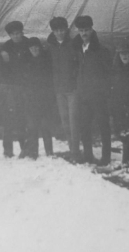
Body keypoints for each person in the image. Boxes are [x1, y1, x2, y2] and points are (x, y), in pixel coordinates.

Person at [72, 16, 112, 165]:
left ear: (92, 30)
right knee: (85, 126)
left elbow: (108, 74)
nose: (84, 33)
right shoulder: (77, 49)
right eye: (81, 30)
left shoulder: (101, 50)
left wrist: (105, 92)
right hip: (83, 95)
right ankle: (88, 155)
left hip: (98, 96)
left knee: (103, 126)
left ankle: (106, 157)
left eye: (86, 30)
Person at [46, 16, 80, 161]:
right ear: (53, 31)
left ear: (66, 30)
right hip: (59, 90)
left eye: (62, 30)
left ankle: (76, 152)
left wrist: (77, 84)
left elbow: (79, 65)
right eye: (57, 30)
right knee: (65, 121)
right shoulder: (50, 47)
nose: (60, 33)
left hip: (72, 89)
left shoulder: (73, 44)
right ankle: (71, 148)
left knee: (74, 122)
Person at [0, 21, 30, 157]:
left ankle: (26, 147)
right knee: (11, 117)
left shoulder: (29, 44)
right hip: (12, 87)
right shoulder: (6, 47)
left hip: (27, 86)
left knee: (26, 117)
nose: (16, 36)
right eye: (13, 34)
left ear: (22, 33)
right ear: (10, 35)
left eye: (18, 33)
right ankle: (8, 150)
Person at [23, 37, 55, 159]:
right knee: (32, 127)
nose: (34, 50)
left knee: (46, 126)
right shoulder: (26, 62)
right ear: (29, 49)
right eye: (32, 48)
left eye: (36, 47)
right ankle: (33, 152)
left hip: (45, 98)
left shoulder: (46, 60)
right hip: (31, 99)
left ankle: (49, 151)